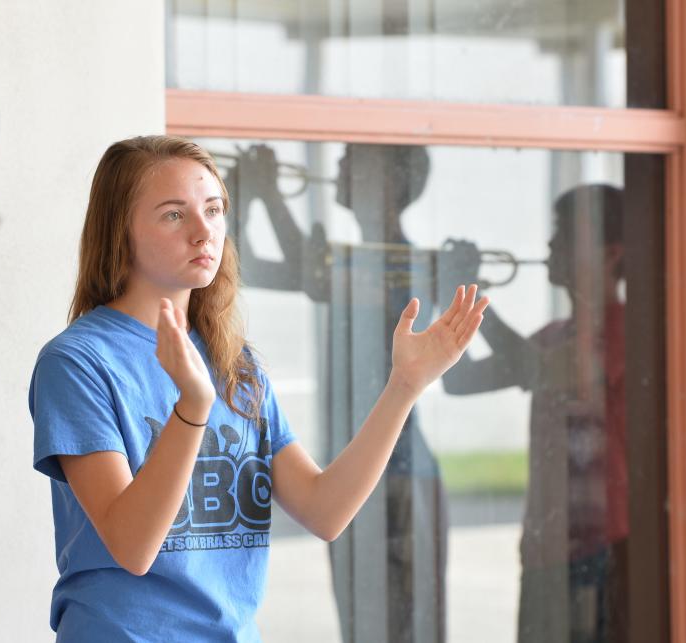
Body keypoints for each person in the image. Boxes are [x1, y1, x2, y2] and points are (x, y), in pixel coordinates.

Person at [29, 135, 488, 642]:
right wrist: (193, 407)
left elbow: (324, 509)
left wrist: (404, 386)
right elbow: (133, 546)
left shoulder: (234, 362)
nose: (205, 232)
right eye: (173, 215)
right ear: (121, 232)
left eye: (213, 209)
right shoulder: (76, 363)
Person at [230, 142, 448, 642]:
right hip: (361, 477)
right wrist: (258, 195)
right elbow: (248, 267)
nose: (339, 165)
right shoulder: (345, 260)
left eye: (354, 159)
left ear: (389, 185)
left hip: (403, 478)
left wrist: (264, 192)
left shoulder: (402, 264)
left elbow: (310, 272)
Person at [441, 184, 627, 642]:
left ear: (611, 254)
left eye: (565, 235)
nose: (550, 245)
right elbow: (458, 380)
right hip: (548, 551)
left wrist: (469, 292)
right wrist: (446, 300)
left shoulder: (624, 330)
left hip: (603, 549)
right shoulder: (554, 335)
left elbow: (535, 368)